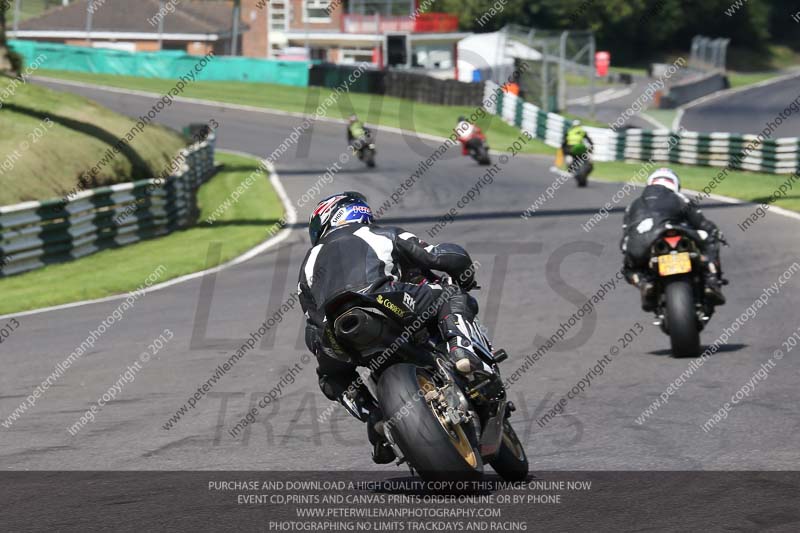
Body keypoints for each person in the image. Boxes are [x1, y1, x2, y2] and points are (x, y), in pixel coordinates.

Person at [298, 192, 492, 464]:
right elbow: (437, 257)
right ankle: (460, 349)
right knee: (452, 295)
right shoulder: (379, 233)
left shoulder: (307, 263)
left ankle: (376, 418)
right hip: (388, 301)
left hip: (336, 332)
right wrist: (463, 272)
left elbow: (311, 325)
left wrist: (325, 352)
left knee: (332, 378)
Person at [620, 168, 726, 311]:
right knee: (709, 241)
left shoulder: (632, 205)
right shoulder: (680, 198)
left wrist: (628, 250)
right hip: (677, 233)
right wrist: (716, 232)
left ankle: (645, 283)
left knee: (628, 267)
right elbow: (701, 223)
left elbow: (626, 235)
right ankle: (711, 281)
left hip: (642, 243)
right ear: (675, 185)